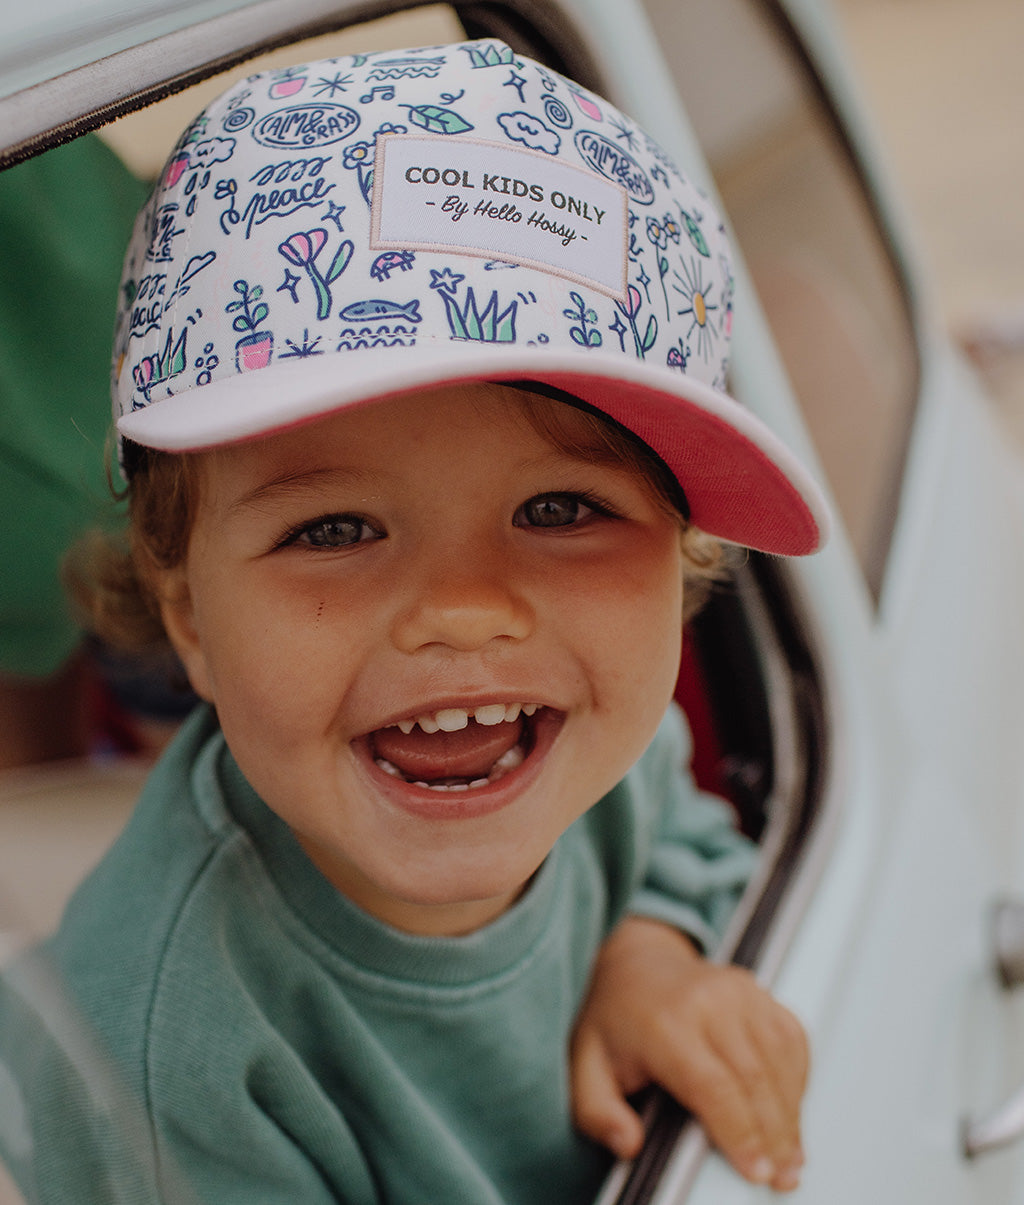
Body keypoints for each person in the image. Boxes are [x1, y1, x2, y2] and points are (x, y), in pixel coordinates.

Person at [0, 41, 830, 1203]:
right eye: (334, 529)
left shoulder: (607, 750)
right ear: (185, 609)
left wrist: (649, 959)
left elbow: (680, 839)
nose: (463, 610)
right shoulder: (152, 1050)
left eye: (559, 506)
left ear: (682, 556)